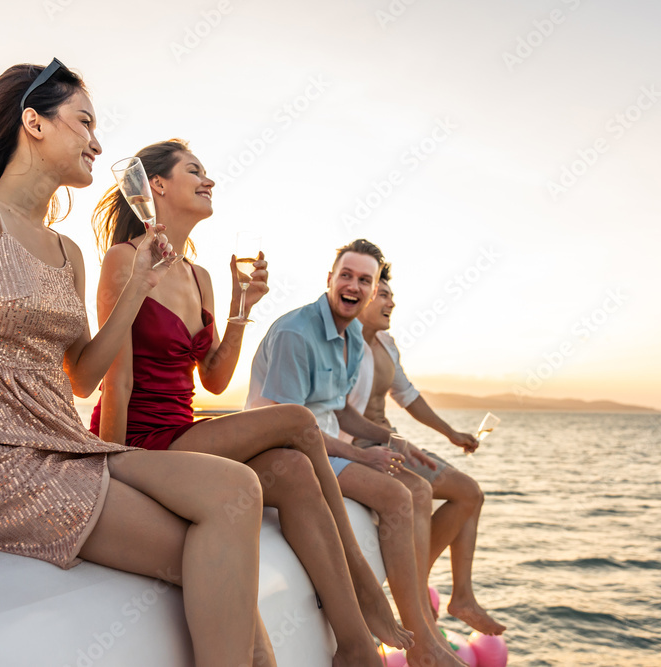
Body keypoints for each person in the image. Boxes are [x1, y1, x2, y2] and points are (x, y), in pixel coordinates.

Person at [0, 61, 273, 666]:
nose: (97, 141)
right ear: (32, 122)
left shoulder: (69, 253)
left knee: (237, 489)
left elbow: (82, 376)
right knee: (208, 556)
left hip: (61, 444)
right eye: (84, 121)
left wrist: (140, 284)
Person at [89, 140, 412, 666]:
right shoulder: (124, 262)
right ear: (157, 186)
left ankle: (355, 647)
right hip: (141, 438)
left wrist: (241, 308)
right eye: (195, 171)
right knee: (297, 421)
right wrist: (108, 469)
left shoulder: (201, 277)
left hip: (183, 426)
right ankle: (362, 581)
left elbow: (214, 380)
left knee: (292, 470)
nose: (209, 180)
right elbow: (116, 385)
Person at [246, 239, 467, 667]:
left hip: (326, 444)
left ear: (370, 291)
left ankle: (423, 626)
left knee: (418, 488)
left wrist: (390, 441)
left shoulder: (354, 343)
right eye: (346, 275)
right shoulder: (297, 332)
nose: (353, 285)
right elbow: (289, 427)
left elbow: (339, 411)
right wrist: (365, 457)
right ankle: (420, 644)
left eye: (364, 280)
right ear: (329, 279)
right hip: (285, 450)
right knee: (396, 496)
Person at [344, 271, 506, 636]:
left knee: (469, 492)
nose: (391, 303)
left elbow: (409, 397)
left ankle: (460, 596)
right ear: (365, 295)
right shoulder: (341, 341)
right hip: (357, 447)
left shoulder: (386, 345)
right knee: (418, 490)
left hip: (390, 441)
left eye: (391, 295)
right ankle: (415, 599)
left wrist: (452, 433)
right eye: (383, 294)